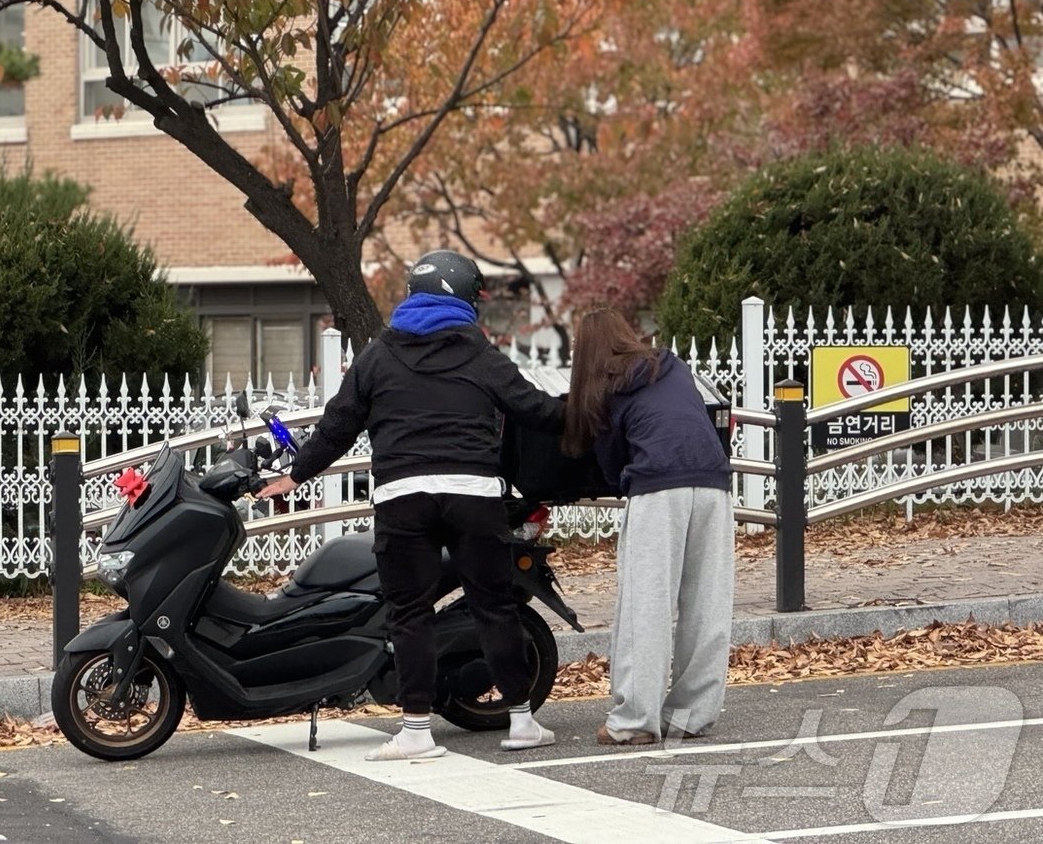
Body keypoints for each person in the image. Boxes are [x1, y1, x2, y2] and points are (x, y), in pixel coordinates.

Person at [256, 250, 566, 761]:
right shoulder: (479, 353)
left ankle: (417, 732)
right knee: (493, 606)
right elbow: (532, 408)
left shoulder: (378, 355)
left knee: (410, 613)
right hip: (473, 496)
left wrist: (295, 474)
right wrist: (589, 417)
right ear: (464, 298)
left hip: (403, 498)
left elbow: (339, 423)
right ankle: (521, 722)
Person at [562, 307, 733, 746]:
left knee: (646, 604)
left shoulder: (606, 387)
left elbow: (610, 459)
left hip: (658, 489)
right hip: (713, 482)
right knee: (706, 603)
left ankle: (634, 721)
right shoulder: (671, 367)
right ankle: (691, 715)